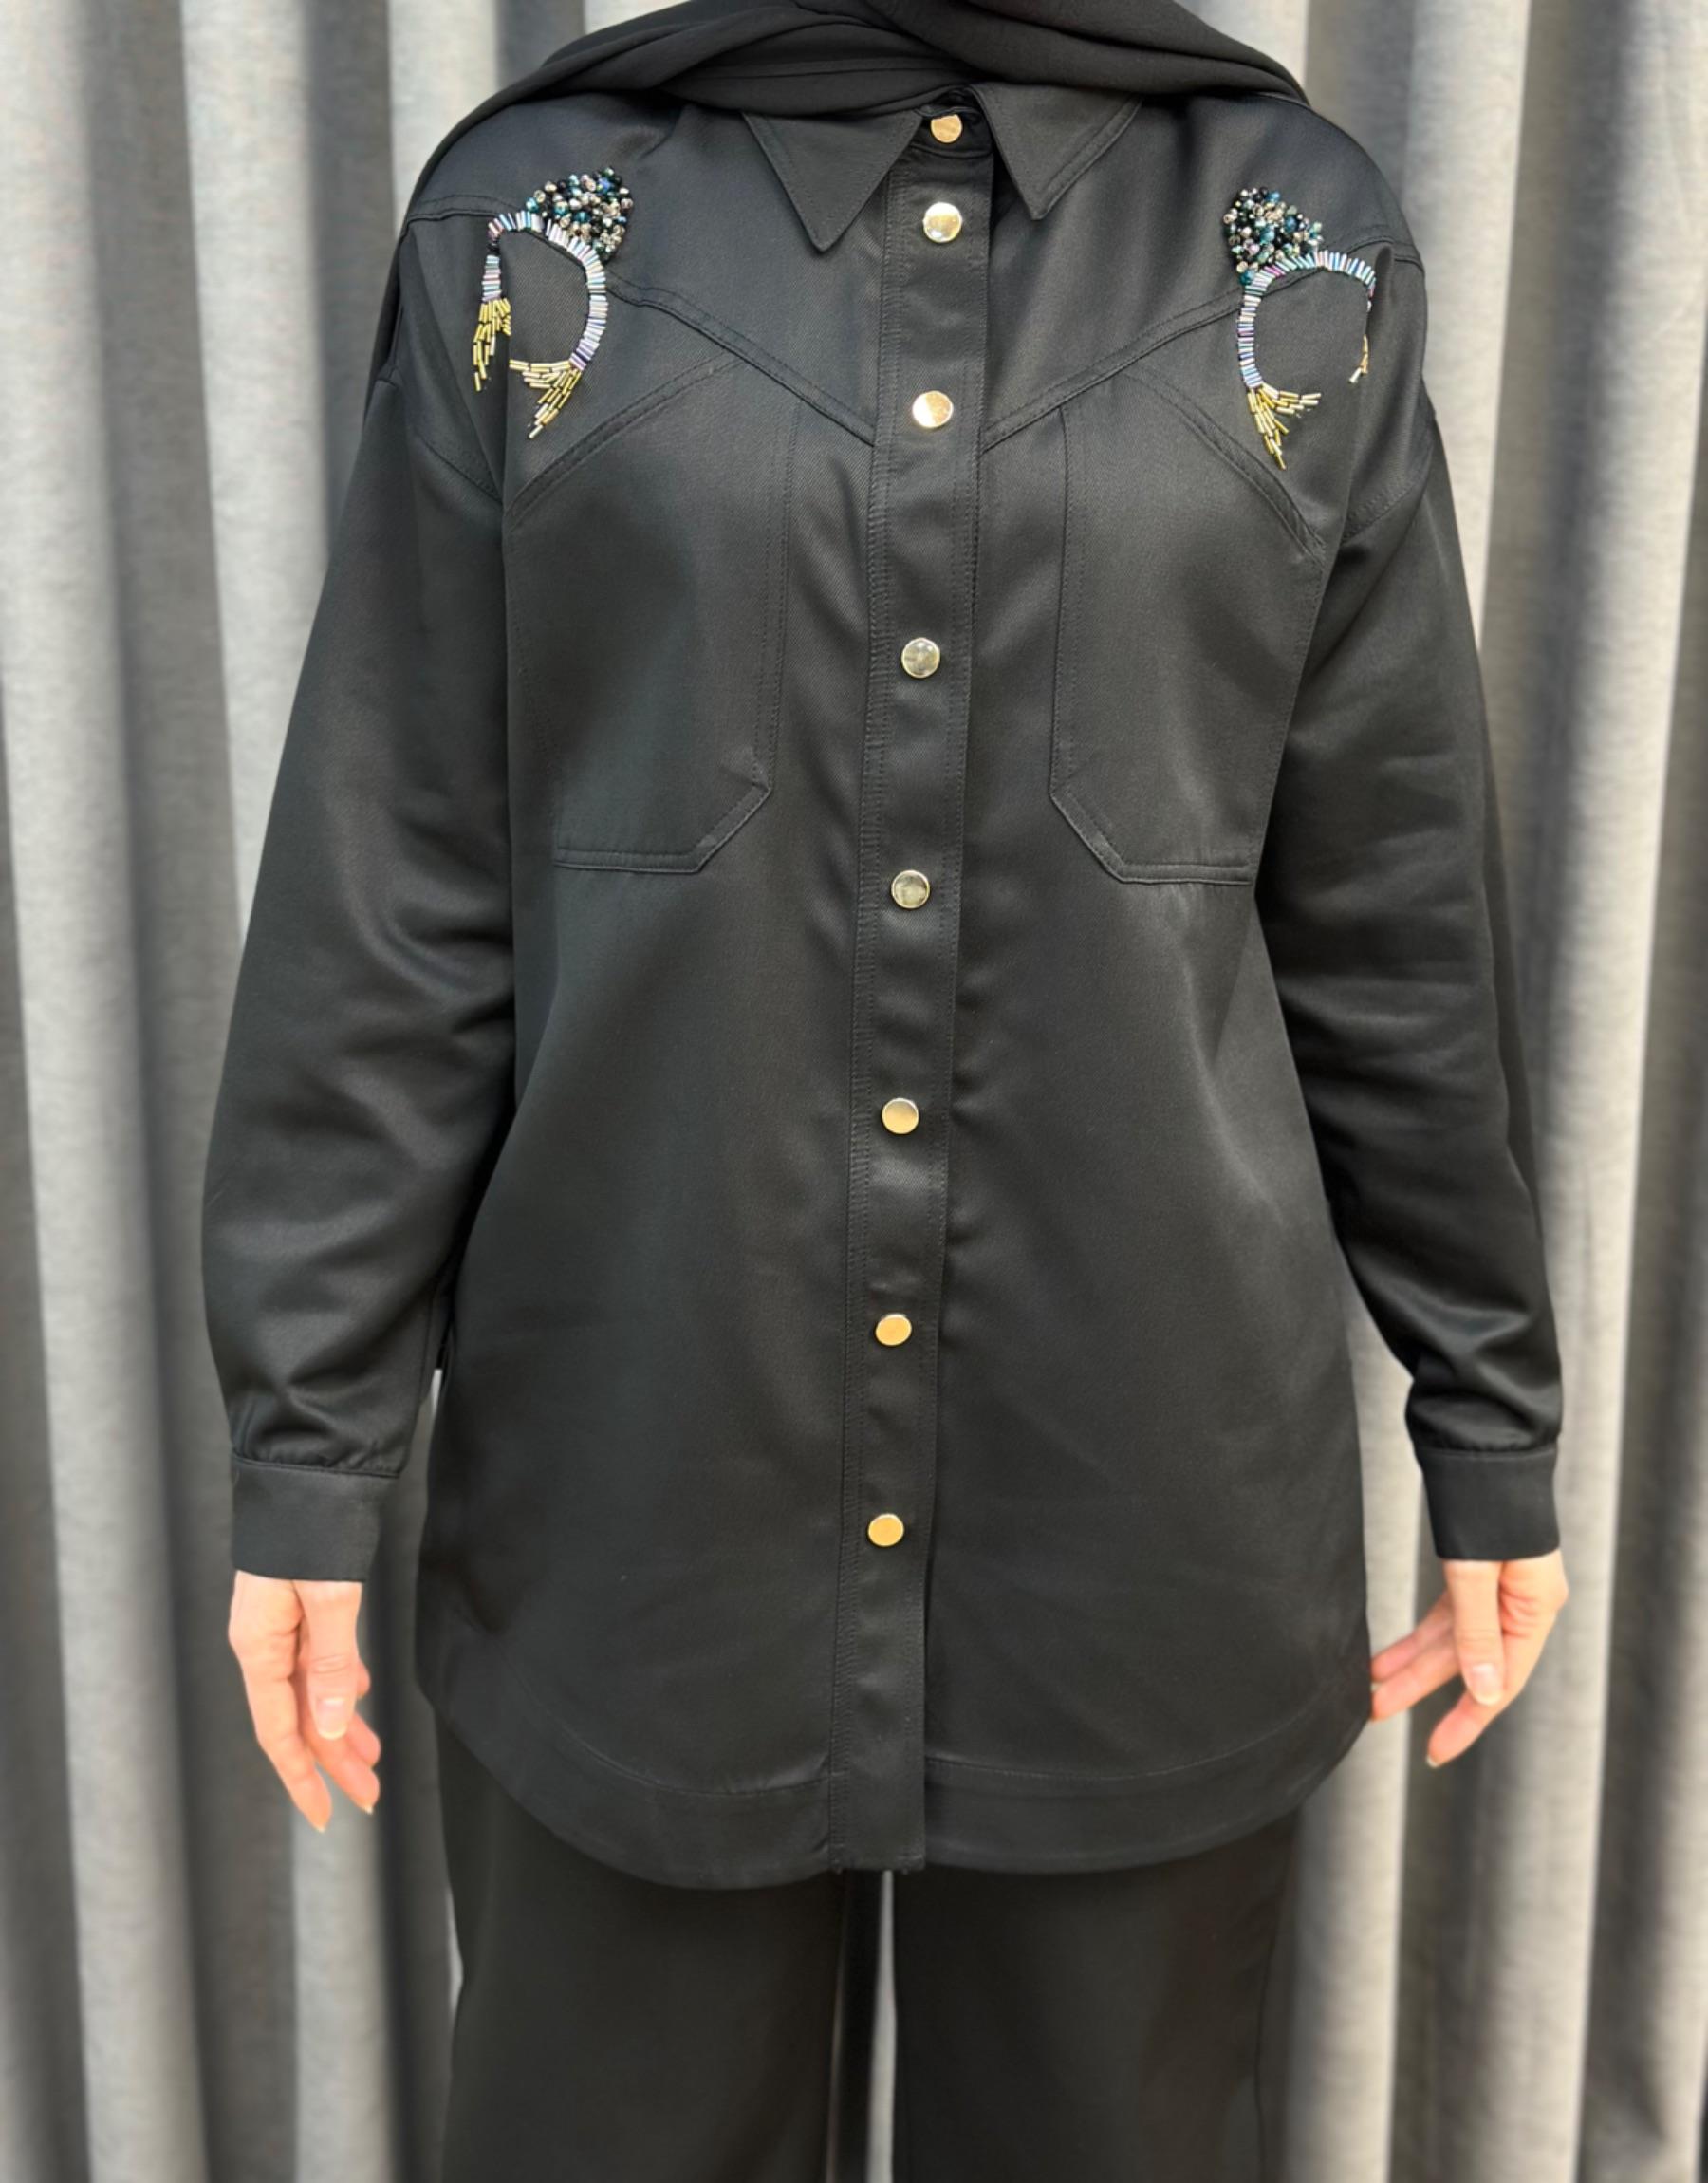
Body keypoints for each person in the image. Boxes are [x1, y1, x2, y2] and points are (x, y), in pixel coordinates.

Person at [201, 1, 1571, 2174]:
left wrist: (1488, 1411)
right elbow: (404, 875)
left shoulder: (1294, 240)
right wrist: (307, 1445)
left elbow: (1389, 898)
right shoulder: (540, 228)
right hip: (639, 1476)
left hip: (1136, 1489)